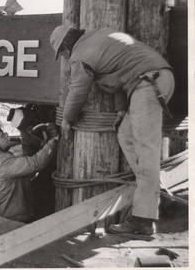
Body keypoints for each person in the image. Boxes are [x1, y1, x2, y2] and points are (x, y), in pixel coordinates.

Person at [49, 25, 174, 235]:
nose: (63, 57)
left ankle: (143, 219)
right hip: (149, 81)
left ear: (66, 46)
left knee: (146, 149)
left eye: (61, 53)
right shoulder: (100, 36)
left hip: (150, 83)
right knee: (125, 135)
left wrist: (67, 120)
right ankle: (152, 189)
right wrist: (120, 110)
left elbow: (78, 90)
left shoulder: (80, 54)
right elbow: (120, 75)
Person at [0, 122, 59, 223]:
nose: (7, 135)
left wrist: (43, 148)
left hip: (13, 215)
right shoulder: (2, 164)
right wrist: (54, 140)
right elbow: (36, 163)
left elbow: (26, 171)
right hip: (13, 220)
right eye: (2, 136)